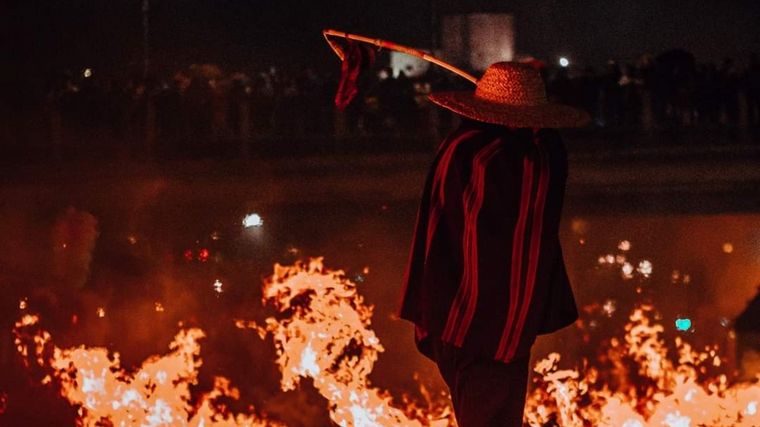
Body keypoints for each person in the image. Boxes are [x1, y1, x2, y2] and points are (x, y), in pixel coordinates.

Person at [398, 62, 589, 427]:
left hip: (447, 317)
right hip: (490, 326)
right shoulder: (507, 157)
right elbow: (544, 170)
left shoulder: (460, 144)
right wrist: (540, 126)